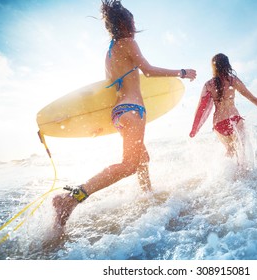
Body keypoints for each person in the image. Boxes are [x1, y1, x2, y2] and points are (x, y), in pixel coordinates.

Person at [52, 0, 196, 232]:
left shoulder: (109, 53)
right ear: (125, 23)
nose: (135, 24)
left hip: (119, 113)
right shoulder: (128, 42)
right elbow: (148, 71)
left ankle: (147, 197)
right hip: (132, 110)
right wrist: (181, 72)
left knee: (142, 159)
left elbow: (108, 91)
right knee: (129, 165)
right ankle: (70, 200)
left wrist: (98, 124)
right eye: (132, 20)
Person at [189, 53, 257, 167]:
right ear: (227, 64)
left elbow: (201, 107)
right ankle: (243, 179)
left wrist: (194, 129)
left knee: (230, 151)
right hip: (234, 119)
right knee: (242, 152)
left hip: (218, 124)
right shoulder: (232, 80)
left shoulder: (208, 85)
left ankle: (224, 175)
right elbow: (253, 99)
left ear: (214, 67)